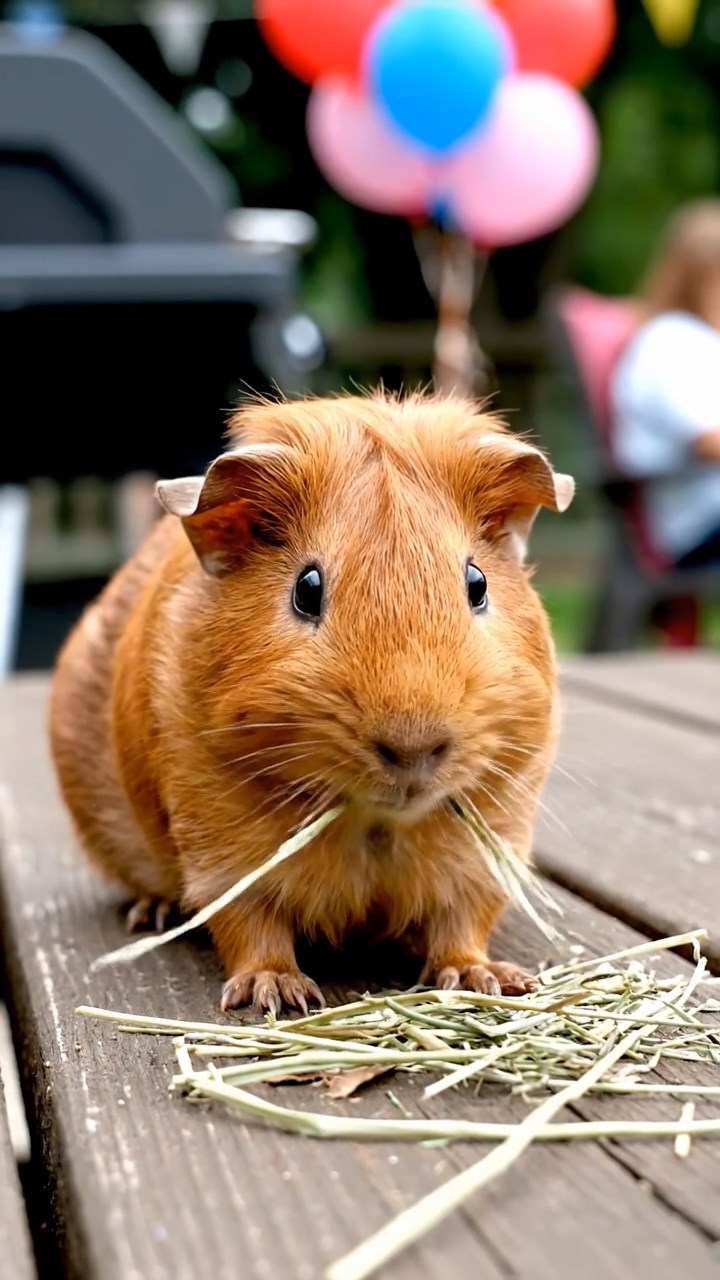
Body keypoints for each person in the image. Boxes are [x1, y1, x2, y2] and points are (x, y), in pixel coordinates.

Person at [611, 199, 720, 568]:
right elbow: (709, 440)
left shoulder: (703, 340)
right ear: (700, 280)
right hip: (697, 523)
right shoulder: (670, 341)